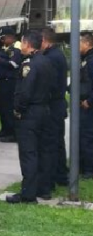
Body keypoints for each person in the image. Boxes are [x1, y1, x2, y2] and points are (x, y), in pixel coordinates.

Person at [7, 30, 53, 204]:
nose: (21, 46)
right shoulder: (47, 61)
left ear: (27, 44)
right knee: (43, 151)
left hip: (30, 113)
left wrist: (18, 109)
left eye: (22, 43)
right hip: (44, 110)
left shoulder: (30, 64)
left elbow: (25, 92)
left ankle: (28, 194)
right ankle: (44, 188)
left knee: (28, 153)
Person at [41, 27, 69, 189]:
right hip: (57, 105)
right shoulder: (56, 54)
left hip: (52, 105)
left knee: (51, 143)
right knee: (57, 142)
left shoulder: (51, 58)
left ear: (45, 41)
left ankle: (51, 176)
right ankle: (60, 174)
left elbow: (49, 84)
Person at [0, 26, 21, 142]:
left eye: (3, 38)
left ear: (10, 37)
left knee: (9, 107)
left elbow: (14, 64)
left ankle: (12, 133)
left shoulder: (16, 48)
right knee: (3, 107)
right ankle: (4, 129)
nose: (1, 40)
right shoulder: (5, 48)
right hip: (2, 82)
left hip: (11, 82)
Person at [79, 32, 93, 178]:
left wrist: (89, 101)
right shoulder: (85, 59)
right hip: (83, 104)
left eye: (80, 43)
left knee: (87, 137)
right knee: (83, 136)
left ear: (87, 44)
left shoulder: (91, 60)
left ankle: (89, 169)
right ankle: (83, 166)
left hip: (88, 105)